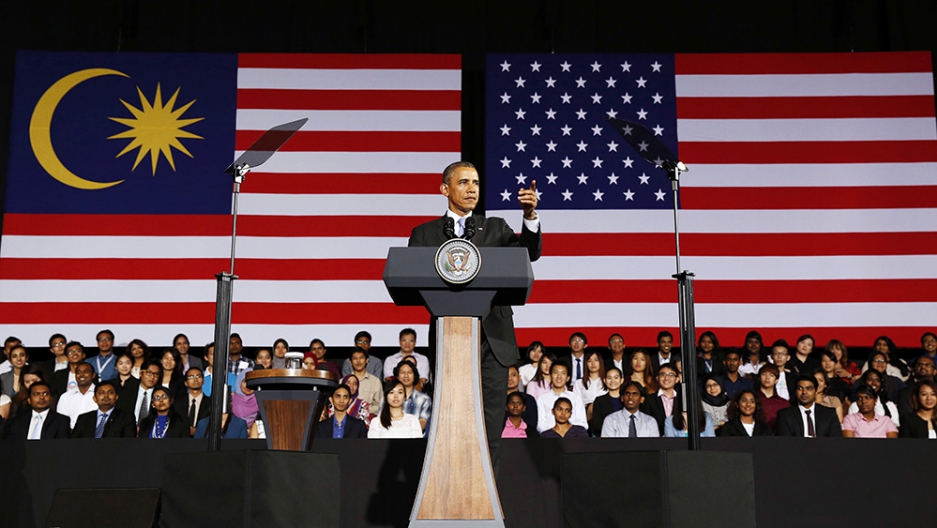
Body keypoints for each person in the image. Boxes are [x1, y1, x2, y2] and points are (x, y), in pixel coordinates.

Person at [408, 160, 540, 463]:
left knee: (491, 423)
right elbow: (410, 278)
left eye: (476, 183)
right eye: (464, 182)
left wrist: (529, 216)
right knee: (450, 421)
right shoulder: (424, 234)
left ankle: (487, 500)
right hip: (449, 337)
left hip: (491, 340)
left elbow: (528, 254)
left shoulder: (495, 227)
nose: (472, 189)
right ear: (445, 189)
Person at [775, 375, 842, 437]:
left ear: (816, 391)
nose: (804, 392)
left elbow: (835, 442)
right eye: (800, 388)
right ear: (795, 391)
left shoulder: (829, 414)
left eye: (809, 388)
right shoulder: (785, 415)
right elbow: (784, 443)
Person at [3, 382, 70, 440]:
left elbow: (62, 446)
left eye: (45, 394)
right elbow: (10, 445)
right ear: (29, 400)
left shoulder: (61, 421)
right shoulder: (17, 421)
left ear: (51, 399)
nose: (41, 397)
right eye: (36, 394)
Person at [70, 381, 136, 438]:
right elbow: (74, 442)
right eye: (101, 393)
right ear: (94, 398)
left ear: (116, 397)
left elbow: (129, 443)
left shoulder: (126, 418)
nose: (106, 396)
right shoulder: (83, 418)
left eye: (110, 392)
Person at [535, 361, 587, 434]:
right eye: (556, 372)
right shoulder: (542, 399)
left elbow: (583, 423)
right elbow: (540, 424)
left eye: (563, 373)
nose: (559, 376)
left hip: (572, 438)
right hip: (549, 439)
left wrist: (566, 433)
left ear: (568, 378)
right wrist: (555, 433)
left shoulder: (576, 398)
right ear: (550, 376)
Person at [117, 360, 162, 426]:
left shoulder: (160, 394)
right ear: (141, 373)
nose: (152, 377)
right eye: (149, 373)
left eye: (156, 374)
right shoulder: (127, 390)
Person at [56, 362, 98, 429]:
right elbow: (61, 421)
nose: (82, 375)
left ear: (93, 375)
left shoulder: (100, 395)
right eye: (78, 372)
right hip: (70, 435)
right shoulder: (65, 397)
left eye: (86, 371)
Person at [641, 363, 679, 435]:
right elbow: (645, 423)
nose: (666, 378)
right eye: (663, 374)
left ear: (677, 379)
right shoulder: (650, 400)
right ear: (657, 378)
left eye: (671, 375)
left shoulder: (683, 399)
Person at [173, 367, 211, 436]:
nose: (195, 379)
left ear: (203, 381)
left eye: (198, 376)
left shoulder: (211, 403)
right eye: (191, 377)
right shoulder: (177, 403)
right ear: (186, 383)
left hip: (203, 440)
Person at [396, 360, 431, 433]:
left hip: (415, 438)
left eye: (409, 372)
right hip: (392, 437)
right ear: (397, 376)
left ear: (414, 375)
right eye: (402, 372)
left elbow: (423, 422)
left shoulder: (424, 399)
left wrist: (406, 433)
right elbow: (381, 420)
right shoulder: (388, 397)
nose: (406, 375)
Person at [755, 363, 790, 432]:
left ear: (776, 380)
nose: (767, 377)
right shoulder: (753, 400)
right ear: (759, 378)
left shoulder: (784, 403)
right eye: (764, 374)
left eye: (771, 375)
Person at [573, 350, 607, 419]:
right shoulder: (579, 383)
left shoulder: (607, 381)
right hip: (585, 413)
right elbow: (576, 403)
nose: (593, 363)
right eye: (589, 361)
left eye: (596, 360)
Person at [589, 367, 623, 436]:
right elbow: (597, 426)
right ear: (604, 380)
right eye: (609, 378)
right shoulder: (599, 400)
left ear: (622, 380)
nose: (612, 381)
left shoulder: (627, 400)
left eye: (616, 377)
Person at [349, 347, 383, 412]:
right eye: (355, 358)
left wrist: (362, 410)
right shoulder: (343, 381)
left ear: (367, 360)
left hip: (369, 419)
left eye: (361, 358)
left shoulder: (375, 381)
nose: (358, 361)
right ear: (350, 362)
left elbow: (380, 405)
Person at [506, 365, 537, 432]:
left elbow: (532, 424)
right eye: (506, 375)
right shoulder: (498, 400)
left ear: (519, 378)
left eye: (513, 375)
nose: (510, 378)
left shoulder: (529, 399)